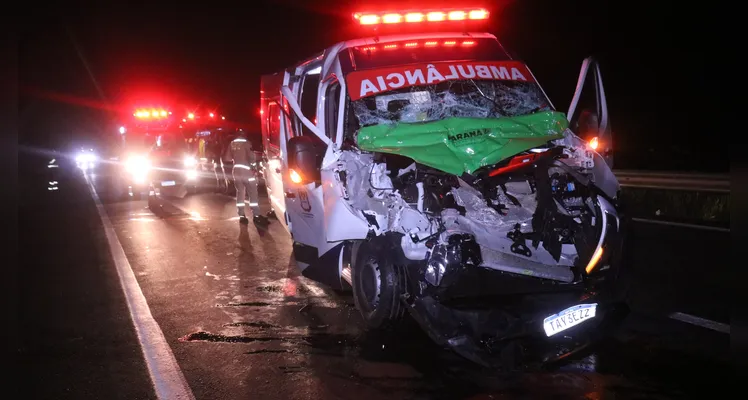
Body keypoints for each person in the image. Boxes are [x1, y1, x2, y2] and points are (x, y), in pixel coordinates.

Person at [226, 130, 268, 226]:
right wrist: (253, 167)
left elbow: (228, 158)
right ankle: (256, 215)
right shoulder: (247, 143)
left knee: (240, 193)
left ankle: (241, 215)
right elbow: (252, 158)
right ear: (244, 135)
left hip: (236, 172)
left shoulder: (232, 144)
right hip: (247, 173)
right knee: (253, 193)